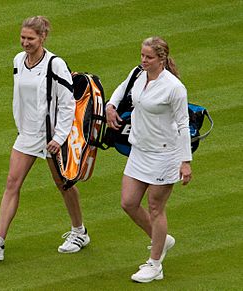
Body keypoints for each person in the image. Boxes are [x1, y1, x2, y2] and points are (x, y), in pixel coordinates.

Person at [0, 16, 90, 261]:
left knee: (64, 185)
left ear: (42, 37)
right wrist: (21, 126)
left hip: (52, 137)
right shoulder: (18, 60)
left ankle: (79, 232)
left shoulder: (56, 65)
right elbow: (21, 97)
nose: (25, 42)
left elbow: (67, 104)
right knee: (12, 183)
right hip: (27, 134)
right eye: (23, 37)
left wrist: (59, 137)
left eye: (30, 38)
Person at [106, 36, 192, 283]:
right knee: (128, 202)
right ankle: (162, 240)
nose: (143, 60)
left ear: (161, 58)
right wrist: (111, 105)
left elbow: (184, 124)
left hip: (166, 154)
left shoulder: (174, 87)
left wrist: (185, 161)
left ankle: (155, 265)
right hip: (139, 150)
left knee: (155, 208)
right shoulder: (137, 73)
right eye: (142, 55)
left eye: (149, 57)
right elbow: (122, 89)